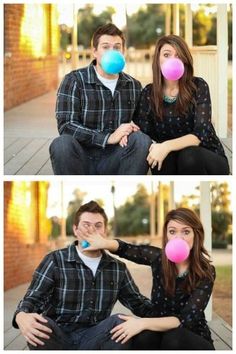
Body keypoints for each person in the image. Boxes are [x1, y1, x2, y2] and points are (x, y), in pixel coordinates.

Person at [12, 201, 154, 350]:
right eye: (86, 224)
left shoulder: (117, 268)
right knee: (39, 324)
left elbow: (139, 304)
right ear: (75, 229)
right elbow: (33, 299)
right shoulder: (55, 260)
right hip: (58, 336)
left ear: (104, 231)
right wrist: (21, 316)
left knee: (120, 322)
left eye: (98, 226)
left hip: (95, 337)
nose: (92, 230)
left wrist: (171, 315)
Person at [83, 207, 216, 350]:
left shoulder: (205, 271)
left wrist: (142, 322)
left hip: (192, 336)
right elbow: (127, 249)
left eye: (186, 231)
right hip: (160, 331)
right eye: (172, 231)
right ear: (166, 236)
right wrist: (104, 243)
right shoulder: (158, 258)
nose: (178, 237)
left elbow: (185, 319)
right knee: (143, 337)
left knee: (173, 338)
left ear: (196, 234)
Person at [49, 23, 152, 175]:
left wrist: (131, 130)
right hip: (81, 156)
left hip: (117, 157)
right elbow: (66, 125)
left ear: (123, 51)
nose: (112, 52)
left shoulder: (133, 85)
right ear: (95, 52)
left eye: (117, 47)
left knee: (141, 140)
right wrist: (108, 138)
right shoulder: (74, 80)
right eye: (105, 46)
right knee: (61, 144)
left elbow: (143, 124)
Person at [131, 34, 229, 175]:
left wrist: (166, 146)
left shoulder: (198, 86)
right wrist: (129, 129)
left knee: (189, 156)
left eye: (178, 56)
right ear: (158, 60)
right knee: (159, 161)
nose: (173, 60)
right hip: (171, 156)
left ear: (185, 60)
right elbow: (143, 131)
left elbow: (199, 135)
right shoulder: (148, 92)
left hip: (205, 156)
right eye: (166, 54)